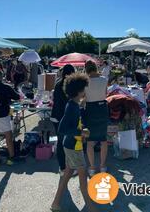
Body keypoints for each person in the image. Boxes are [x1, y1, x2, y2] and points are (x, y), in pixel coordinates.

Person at [51, 73, 97, 212]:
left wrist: (82, 129)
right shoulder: (72, 107)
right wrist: (81, 133)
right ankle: (91, 208)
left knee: (67, 176)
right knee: (83, 180)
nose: (85, 91)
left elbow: (72, 125)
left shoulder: (73, 104)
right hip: (73, 147)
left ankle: (56, 204)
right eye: (84, 89)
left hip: (70, 145)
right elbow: (62, 128)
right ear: (79, 91)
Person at [84, 60, 108, 176]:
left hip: (90, 110)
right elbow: (105, 94)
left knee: (90, 140)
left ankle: (92, 168)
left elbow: (83, 97)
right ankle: (103, 166)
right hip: (102, 108)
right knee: (103, 139)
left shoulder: (85, 82)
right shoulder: (104, 79)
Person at [51, 64, 75, 174]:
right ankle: (69, 167)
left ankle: (62, 167)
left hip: (56, 116)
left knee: (61, 142)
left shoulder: (57, 83)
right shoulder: (70, 84)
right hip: (65, 117)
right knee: (69, 142)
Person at [0, 70, 20, 167]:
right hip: (3, 115)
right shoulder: (6, 87)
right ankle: (11, 158)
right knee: (8, 137)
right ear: (1, 77)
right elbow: (17, 97)